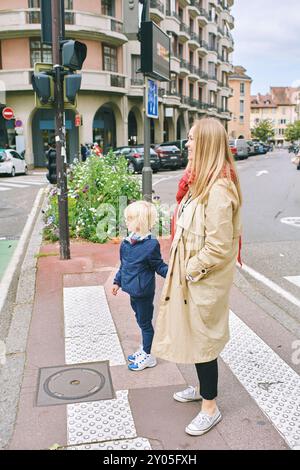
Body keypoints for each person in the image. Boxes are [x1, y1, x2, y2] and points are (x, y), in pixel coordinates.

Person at [151, 118, 242, 436]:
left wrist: (189, 271)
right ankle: (203, 389)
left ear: (205, 143)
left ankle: (210, 406)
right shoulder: (197, 182)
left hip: (202, 281)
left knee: (203, 341)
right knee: (189, 333)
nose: (186, 143)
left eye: (191, 139)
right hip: (189, 278)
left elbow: (218, 246)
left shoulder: (218, 188)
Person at [112, 200, 168, 371]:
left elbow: (158, 265)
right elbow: (124, 265)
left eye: (129, 219)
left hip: (143, 292)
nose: (126, 222)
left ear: (139, 222)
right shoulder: (127, 243)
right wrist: (117, 281)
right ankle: (145, 348)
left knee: (145, 323)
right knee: (140, 320)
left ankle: (149, 356)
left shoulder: (151, 244)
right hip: (132, 290)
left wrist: (173, 275)